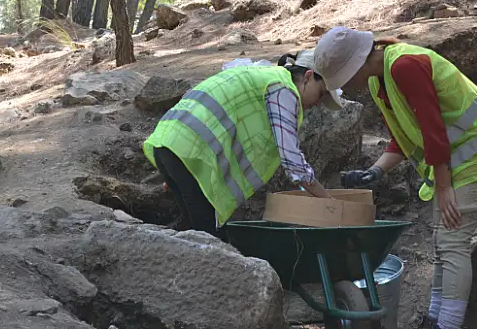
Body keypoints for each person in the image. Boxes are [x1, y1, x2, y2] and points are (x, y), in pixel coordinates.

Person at [312, 26, 477, 329]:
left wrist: (445, 186)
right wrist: (375, 170)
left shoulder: (404, 66)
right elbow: (403, 136)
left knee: (452, 242)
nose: (349, 86)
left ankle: (447, 324)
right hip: (457, 160)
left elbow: (432, 129)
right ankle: (434, 319)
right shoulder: (378, 81)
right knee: (442, 242)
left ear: (355, 65)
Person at [142, 49, 342, 239]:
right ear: (307, 77)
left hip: (171, 144)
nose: (318, 102)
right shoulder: (283, 89)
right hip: (189, 153)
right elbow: (292, 162)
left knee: (199, 234)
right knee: (210, 240)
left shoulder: (261, 75)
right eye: (322, 93)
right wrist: (328, 203)